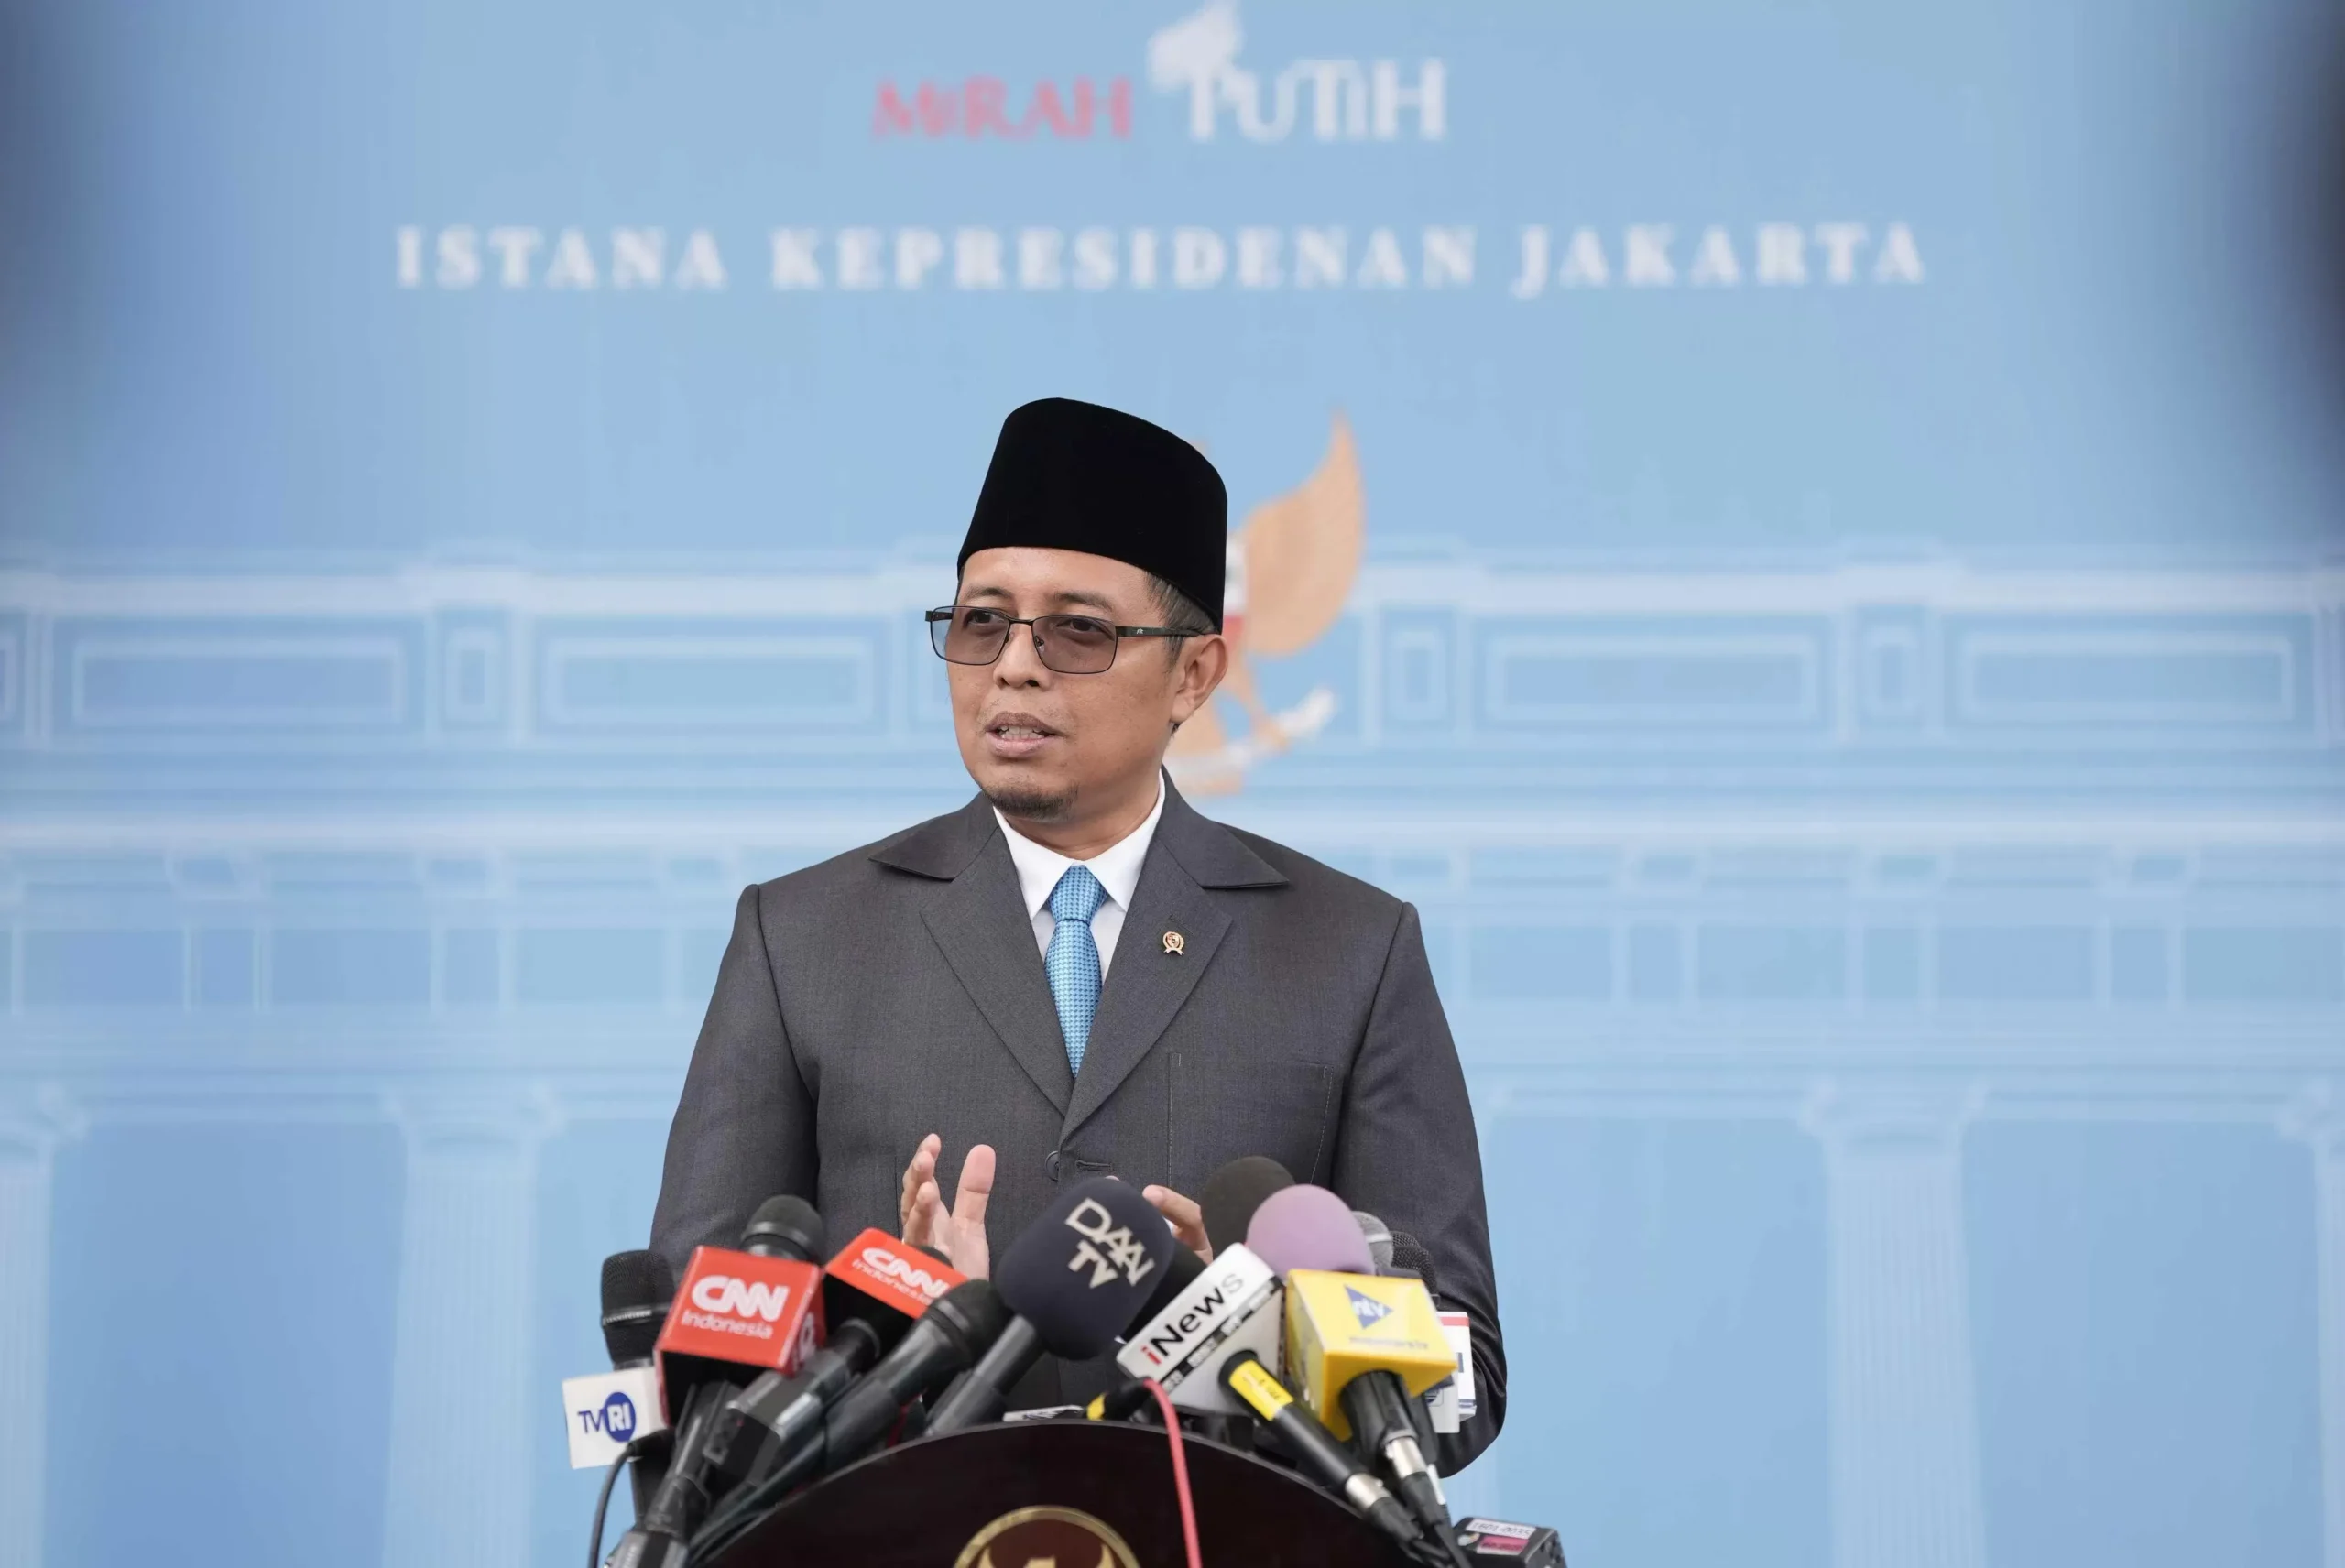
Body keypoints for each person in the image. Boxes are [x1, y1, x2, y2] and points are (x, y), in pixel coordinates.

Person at [650, 397, 1505, 1462]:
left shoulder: (1347, 949)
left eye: (1078, 630)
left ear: (1194, 674)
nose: (1014, 665)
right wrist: (901, 1344)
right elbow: (694, 1364)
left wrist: (1252, 1334)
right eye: (981, 622)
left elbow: (1463, 1374)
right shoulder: (802, 938)